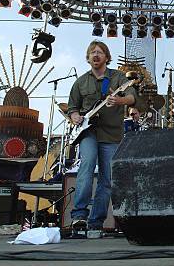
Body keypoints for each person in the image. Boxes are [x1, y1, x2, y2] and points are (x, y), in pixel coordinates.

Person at [68, 41, 136, 232]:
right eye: (92, 53)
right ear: (88, 58)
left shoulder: (118, 77)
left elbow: (132, 97)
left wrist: (119, 100)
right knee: (87, 165)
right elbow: (72, 107)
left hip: (112, 134)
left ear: (106, 57)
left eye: (99, 52)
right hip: (88, 132)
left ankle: (96, 221)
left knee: (107, 180)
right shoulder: (80, 82)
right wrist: (75, 116)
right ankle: (79, 215)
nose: (95, 55)